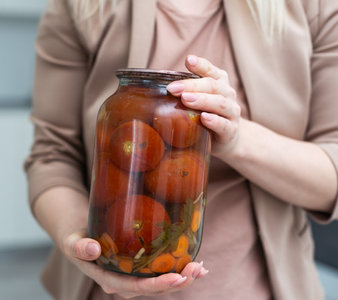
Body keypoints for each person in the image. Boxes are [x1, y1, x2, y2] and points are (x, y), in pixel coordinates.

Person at [24, 0, 338, 299]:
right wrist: (79, 242)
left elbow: (331, 174)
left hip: (255, 290)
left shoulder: (315, 6)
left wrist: (237, 140)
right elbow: (52, 156)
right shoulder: (83, 6)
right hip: (106, 286)